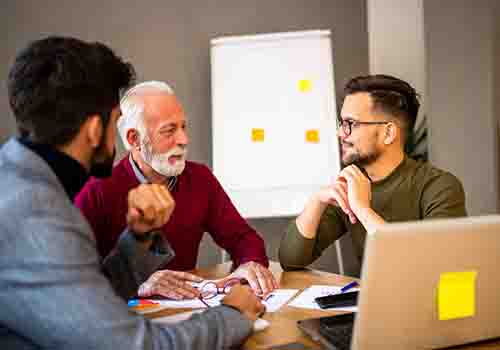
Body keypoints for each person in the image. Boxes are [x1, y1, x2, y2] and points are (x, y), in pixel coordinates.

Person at [0, 36, 264, 350]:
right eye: (114, 123)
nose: (182, 139)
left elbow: (85, 294)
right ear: (96, 130)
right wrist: (233, 315)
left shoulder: (19, 183)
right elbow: (132, 346)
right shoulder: (39, 213)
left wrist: (139, 239)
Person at [75, 81, 278, 299]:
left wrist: (250, 265)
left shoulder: (200, 179)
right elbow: (74, 282)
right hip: (125, 320)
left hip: (189, 314)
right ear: (134, 139)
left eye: (183, 127)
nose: (184, 140)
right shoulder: (97, 191)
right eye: (169, 131)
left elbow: (243, 238)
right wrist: (139, 285)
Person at [279, 74, 467, 270]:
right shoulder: (351, 184)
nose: (341, 133)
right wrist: (316, 201)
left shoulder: (440, 187)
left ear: (388, 133)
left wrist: (363, 210)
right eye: (341, 123)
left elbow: (434, 264)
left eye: (351, 124)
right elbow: (291, 259)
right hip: (373, 299)